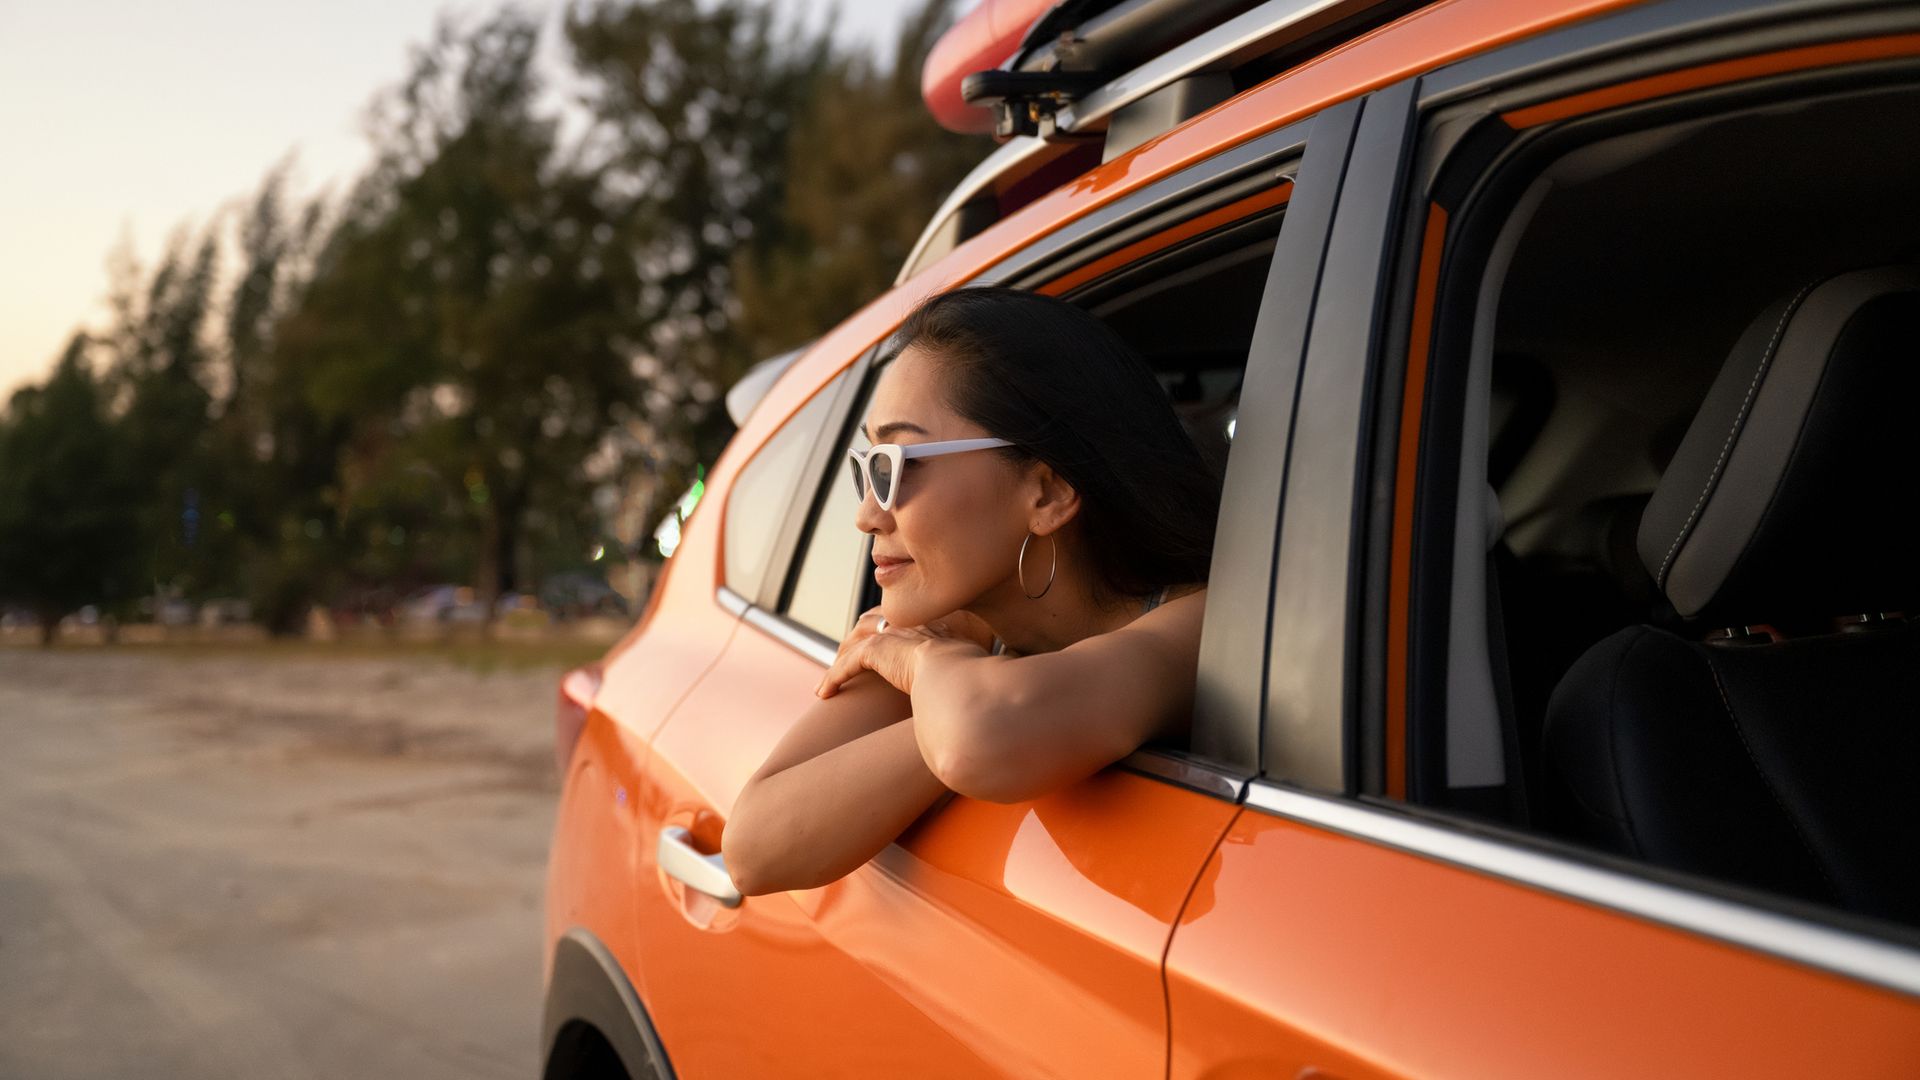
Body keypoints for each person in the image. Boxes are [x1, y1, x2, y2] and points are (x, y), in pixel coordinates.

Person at [721, 286, 1222, 897]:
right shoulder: (956, 622)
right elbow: (753, 848)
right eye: (868, 467)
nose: (867, 515)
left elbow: (975, 737)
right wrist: (953, 686)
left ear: (1047, 493)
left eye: (900, 465)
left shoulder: (1198, 628)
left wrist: (925, 666)